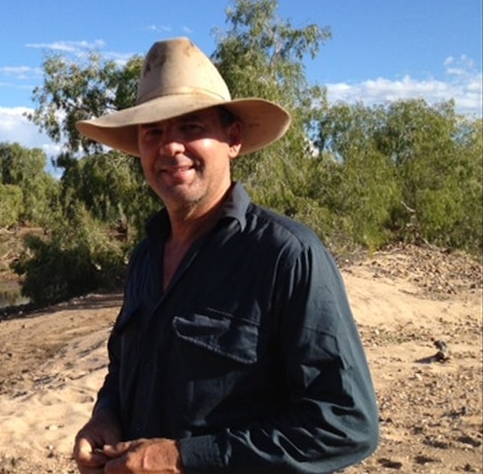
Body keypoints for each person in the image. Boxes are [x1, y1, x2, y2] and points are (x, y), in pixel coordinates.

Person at [72, 37, 379, 473]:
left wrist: (179, 458)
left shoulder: (286, 256)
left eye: (191, 128)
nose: (170, 146)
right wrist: (106, 416)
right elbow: (125, 369)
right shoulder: (145, 256)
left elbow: (346, 425)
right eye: (153, 132)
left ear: (232, 138)